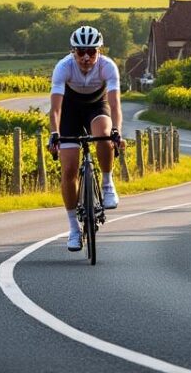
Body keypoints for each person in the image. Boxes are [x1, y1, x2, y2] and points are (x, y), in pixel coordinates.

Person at [48, 25, 124, 252]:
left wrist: (117, 131)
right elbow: (55, 109)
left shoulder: (107, 66)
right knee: (69, 168)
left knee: (103, 134)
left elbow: (114, 104)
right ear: (73, 52)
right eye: (80, 52)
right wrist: (54, 134)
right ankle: (73, 228)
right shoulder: (63, 67)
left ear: (99, 51)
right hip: (70, 111)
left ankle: (108, 183)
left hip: (96, 107)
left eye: (91, 51)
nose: (86, 57)